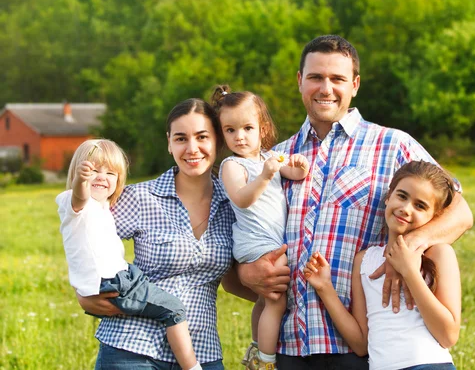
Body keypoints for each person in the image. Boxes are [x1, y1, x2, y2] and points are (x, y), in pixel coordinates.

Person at [237, 35, 473, 369]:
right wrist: (246, 272)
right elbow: (246, 231)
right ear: (299, 81)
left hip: (360, 345)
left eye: (338, 79)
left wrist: (408, 250)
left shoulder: (392, 145)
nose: (326, 88)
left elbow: (460, 212)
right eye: (316, 77)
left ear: (355, 84)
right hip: (290, 342)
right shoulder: (275, 159)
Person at [75, 99, 254, 370]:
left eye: (202, 137)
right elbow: (86, 239)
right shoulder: (140, 197)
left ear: (217, 140)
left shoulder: (235, 205)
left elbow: (234, 280)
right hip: (131, 349)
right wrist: (83, 292)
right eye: (181, 138)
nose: (192, 148)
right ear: (169, 143)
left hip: (200, 352)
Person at [56, 139, 201, 370]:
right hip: (113, 281)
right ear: (78, 174)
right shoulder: (74, 203)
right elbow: (79, 198)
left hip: (121, 276)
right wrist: (81, 181)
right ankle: (192, 367)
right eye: (94, 170)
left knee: (162, 303)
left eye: (110, 173)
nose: (102, 176)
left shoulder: (103, 207)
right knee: (174, 309)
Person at [304, 161, 461, 370]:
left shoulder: (439, 254)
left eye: (420, 205)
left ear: (434, 216)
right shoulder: (365, 260)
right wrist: (325, 288)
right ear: (389, 197)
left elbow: (448, 335)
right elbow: (361, 344)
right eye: (402, 196)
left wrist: (409, 270)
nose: (406, 209)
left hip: (429, 364)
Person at [211, 85, 309, 370]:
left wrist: (299, 166)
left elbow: (293, 171)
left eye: (247, 128)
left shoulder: (270, 157)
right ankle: (267, 361)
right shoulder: (232, 165)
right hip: (256, 241)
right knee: (277, 300)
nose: (239, 136)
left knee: (265, 302)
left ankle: (257, 343)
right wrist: (266, 175)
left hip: (269, 238)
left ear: (262, 128)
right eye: (230, 130)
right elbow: (241, 199)